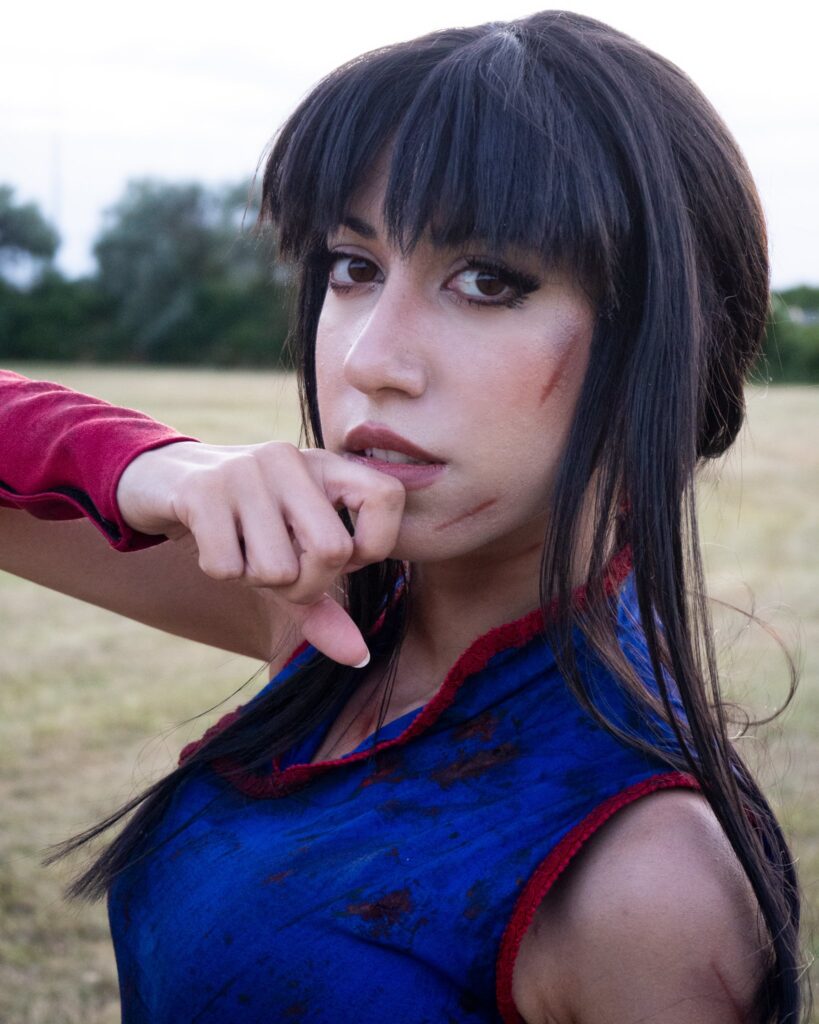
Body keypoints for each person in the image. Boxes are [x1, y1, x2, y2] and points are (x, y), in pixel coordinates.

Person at [0, 10, 808, 1023]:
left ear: (664, 339)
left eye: (487, 281)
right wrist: (144, 468)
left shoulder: (647, 880)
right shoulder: (327, 610)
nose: (370, 358)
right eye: (354, 266)